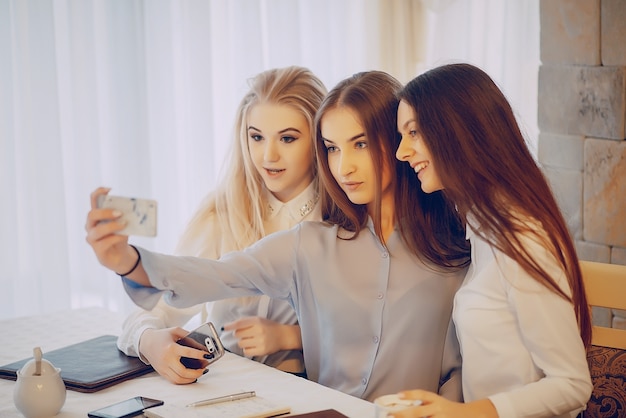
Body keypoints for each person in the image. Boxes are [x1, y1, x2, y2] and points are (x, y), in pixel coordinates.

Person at [85, 70, 470, 402]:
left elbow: (460, 367)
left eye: (360, 144)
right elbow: (218, 273)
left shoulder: (455, 247)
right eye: (332, 148)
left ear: (399, 143)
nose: (343, 166)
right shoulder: (310, 243)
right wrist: (129, 261)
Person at [393, 63, 592, 418]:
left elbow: (572, 385)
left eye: (414, 133)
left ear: (458, 132)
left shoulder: (520, 239)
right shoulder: (479, 227)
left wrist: (463, 413)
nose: (401, 152)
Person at [110, 66, 328, 384]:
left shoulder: (340, 223)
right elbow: (156, 310)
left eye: (287, 138)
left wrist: (293, 337)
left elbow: (367, 333)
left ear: (318, 139)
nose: (268, 155)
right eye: (256, 137)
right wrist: (149, 342)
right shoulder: (221, 214)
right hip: (221, 391)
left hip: (309, 394)